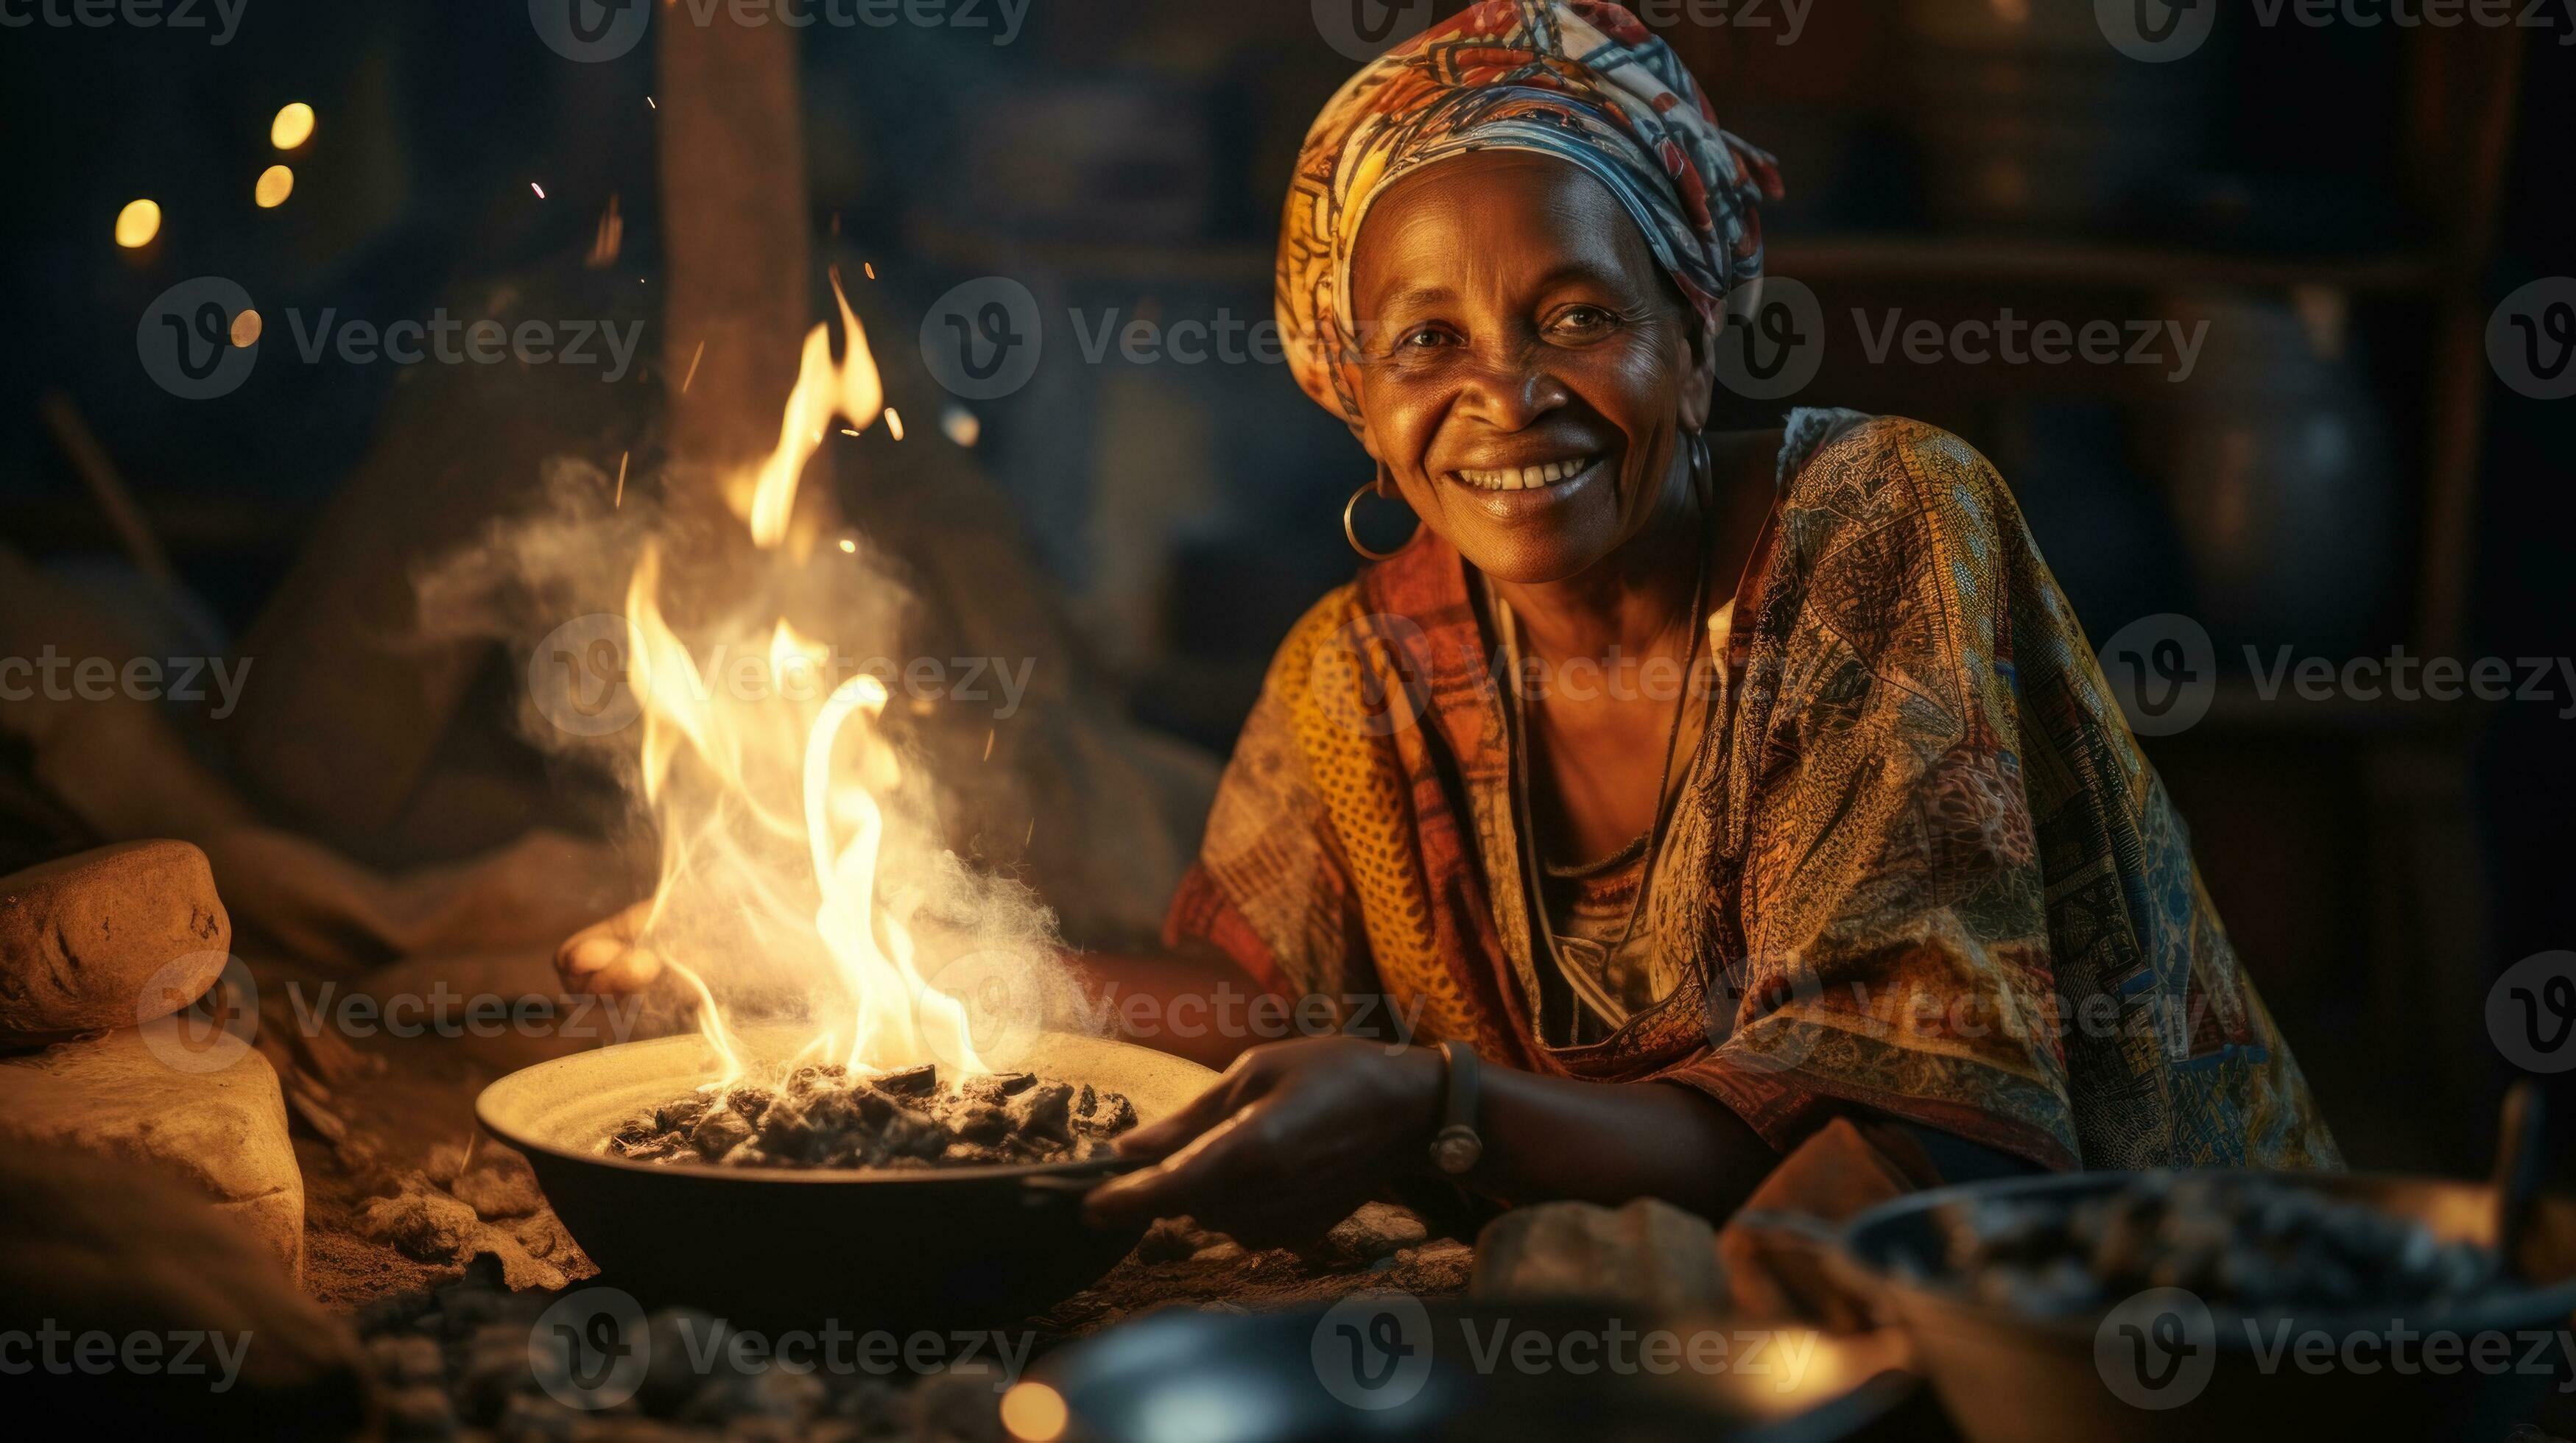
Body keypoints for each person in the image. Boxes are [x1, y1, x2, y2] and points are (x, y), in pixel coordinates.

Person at [561, 0, 2339, 1255]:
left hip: (2131, 1335)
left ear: (1692, 336)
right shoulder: (1360, 669)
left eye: (1576, 314)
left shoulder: (1872, 525)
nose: (1509, 395)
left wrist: (1435, 1111)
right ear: (1357, 396)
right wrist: (853, 945)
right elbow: (1266, 1020)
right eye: (1427, 342)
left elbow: (1919, 1130)